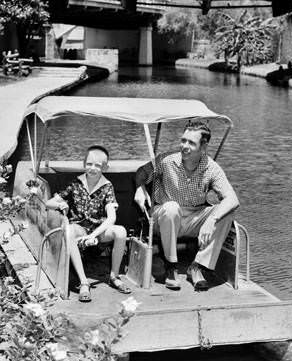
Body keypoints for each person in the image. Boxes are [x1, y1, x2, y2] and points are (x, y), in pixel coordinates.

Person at [134, 121, 239, 291]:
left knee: (226, 212)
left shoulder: (211, 168)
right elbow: (142, 172)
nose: (184, 146)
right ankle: (171, 266)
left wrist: (212, 218)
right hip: (164, 217)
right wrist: (139, 188)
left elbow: (232, 198)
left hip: (194, 218)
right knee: (172, 208)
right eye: (183, 140)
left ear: (203, 147)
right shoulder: (166, 160)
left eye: (191, 143)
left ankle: (198, 266)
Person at [45, 145, 129, 302]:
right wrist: (60, 204)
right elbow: (49, 203)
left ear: (105, 167)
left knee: (121, 231)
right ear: (84, 164)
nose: (93, 168)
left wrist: (93, 235)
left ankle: (114, 275)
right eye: (89, 164)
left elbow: (111, 218)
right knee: (69, 230)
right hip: (80, 228)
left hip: (99, 230)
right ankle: (84, 281)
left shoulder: (107, 186)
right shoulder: (76, 183)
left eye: (98, 165)